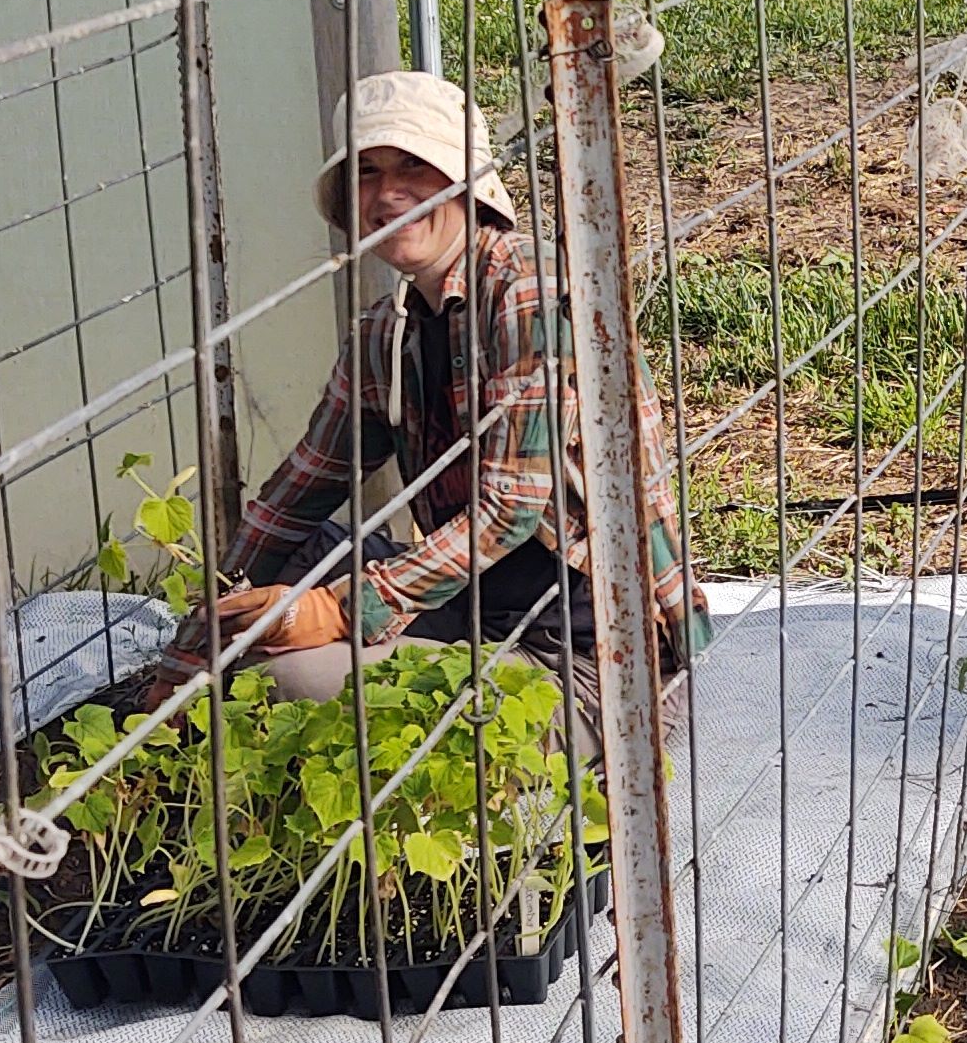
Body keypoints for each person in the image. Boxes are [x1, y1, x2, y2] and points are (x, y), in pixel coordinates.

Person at [190, 70, 707, 708]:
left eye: (414, 167)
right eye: (367, 173)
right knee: (301, 554)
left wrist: (345, 611)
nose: (388, 196)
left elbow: (510, 511)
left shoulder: (530, 289)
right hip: (472, 607)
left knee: (295, 676)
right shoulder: (387, 332)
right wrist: (203, 635)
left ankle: (565, 732)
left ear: (468, 184)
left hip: (583, 653)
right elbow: (296, 494)